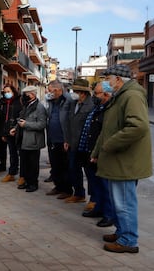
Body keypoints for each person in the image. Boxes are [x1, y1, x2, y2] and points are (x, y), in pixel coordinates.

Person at [91, 64, 152, 254]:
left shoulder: (131, 95)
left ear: (118, 79)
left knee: (124, 202)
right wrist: (97, 151)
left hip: (125, 160)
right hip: (117, 159)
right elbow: (108, 127)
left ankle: (128, 240)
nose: (106, 83)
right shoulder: (120, 96)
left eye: (108, 79)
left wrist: (109, 145)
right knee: (119, 202)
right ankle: (122, 232)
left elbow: (138, 126)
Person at [78, 81, 114, 227]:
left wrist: (98, 152)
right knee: (95, 184)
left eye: (97, 93)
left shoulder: (109, 109)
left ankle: (109, 214)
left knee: (105, 186)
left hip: (100, 154)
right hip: (90, 151)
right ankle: (98, 208)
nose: (94, 95)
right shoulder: (99, 107)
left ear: (106, 94)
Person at [65, 78, 94, 203]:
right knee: (73, 169)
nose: (73, 93)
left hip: (85, 146)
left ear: (82, 93)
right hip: (73, 144)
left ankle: (94, 200)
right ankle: (79, 194)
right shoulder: (74, 103)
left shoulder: (91, 105)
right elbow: (69, 123)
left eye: (75, 91)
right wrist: (67, 140)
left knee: (90, 174)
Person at [12, 86, 46, 192]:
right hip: (23, 139)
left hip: (33, 140)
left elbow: (42, 124)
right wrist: (16, 128)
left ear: (33, 94)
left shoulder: (39, 107)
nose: (24, 96)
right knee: (25, 162)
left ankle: (33, 183)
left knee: (33, 164)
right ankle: (26, 181)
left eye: (27, 94)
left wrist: (26, 124)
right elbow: (22, 119)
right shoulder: (26, 106)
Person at [45, 80, 75, 199]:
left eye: (50, 90)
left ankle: (67, 190)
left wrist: (68, 139)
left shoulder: (69, 100)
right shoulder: (52, 100)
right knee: (55, 165)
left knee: (65, 166)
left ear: (57, 90)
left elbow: (71, 120)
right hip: (53, 138)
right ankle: (58, 186)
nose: (49, 93)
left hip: (64, 140)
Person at [0, 84, 23, 182]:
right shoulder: (2, 102)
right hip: (7, 131)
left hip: (18, 131)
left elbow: (22, 116)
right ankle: (12, 173)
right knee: (12, 153)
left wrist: (16, 128)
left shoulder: (19, 101)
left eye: (8, 91)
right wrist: (3, 133)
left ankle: (23, 175)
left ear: (13, 91)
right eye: (5, 92)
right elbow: (1, 119)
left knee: (22, 154)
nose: (6, 93)